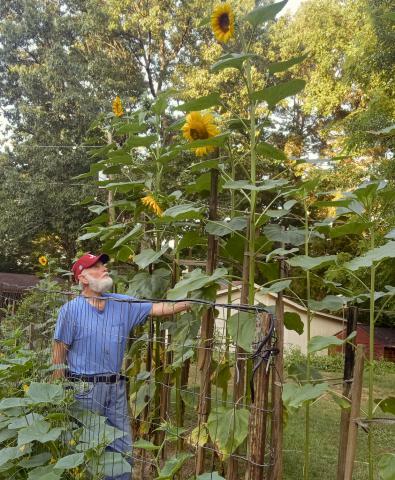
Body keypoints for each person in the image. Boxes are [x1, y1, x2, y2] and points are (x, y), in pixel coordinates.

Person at [52, 252, 190, 480]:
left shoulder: (121, 303)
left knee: (121, 447)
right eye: (96, 267)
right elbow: (59, 351)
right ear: (83, 279)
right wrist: (58, 387)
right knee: (86, 447)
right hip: (84, 389)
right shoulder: (70, 311)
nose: (104, 269)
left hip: (115, 388)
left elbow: (156, 309)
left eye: (103, 265)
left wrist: (187, 303)